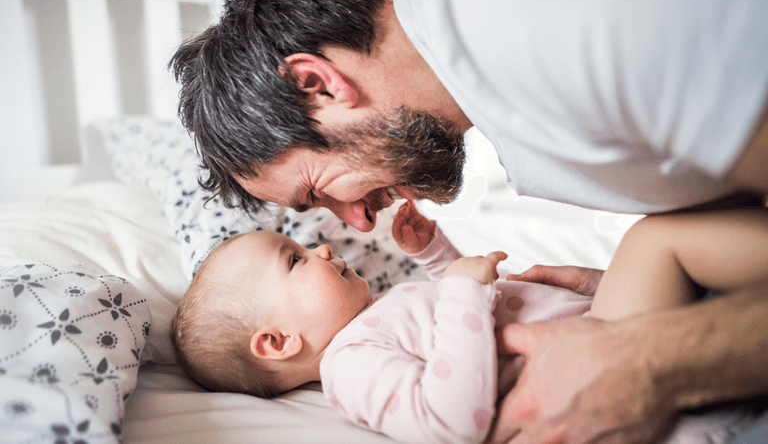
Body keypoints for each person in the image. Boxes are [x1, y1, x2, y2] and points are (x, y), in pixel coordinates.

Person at [169, 0, 768, 441]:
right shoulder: (496, 74)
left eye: (317, 190)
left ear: (316, 84)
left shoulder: (565, 25)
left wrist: (650, 357)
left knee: (657, 240)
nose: (353, 223)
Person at [171, 200, 768, 443]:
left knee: (692, 240)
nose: (322, 250)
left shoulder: (380, 314)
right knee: (656, 239)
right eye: (295, 260)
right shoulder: (348, 366)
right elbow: (450, 415)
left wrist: (436, 256)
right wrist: (458, 292)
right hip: (599, 362)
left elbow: (463, 324)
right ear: (278, 342)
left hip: (613, 331)